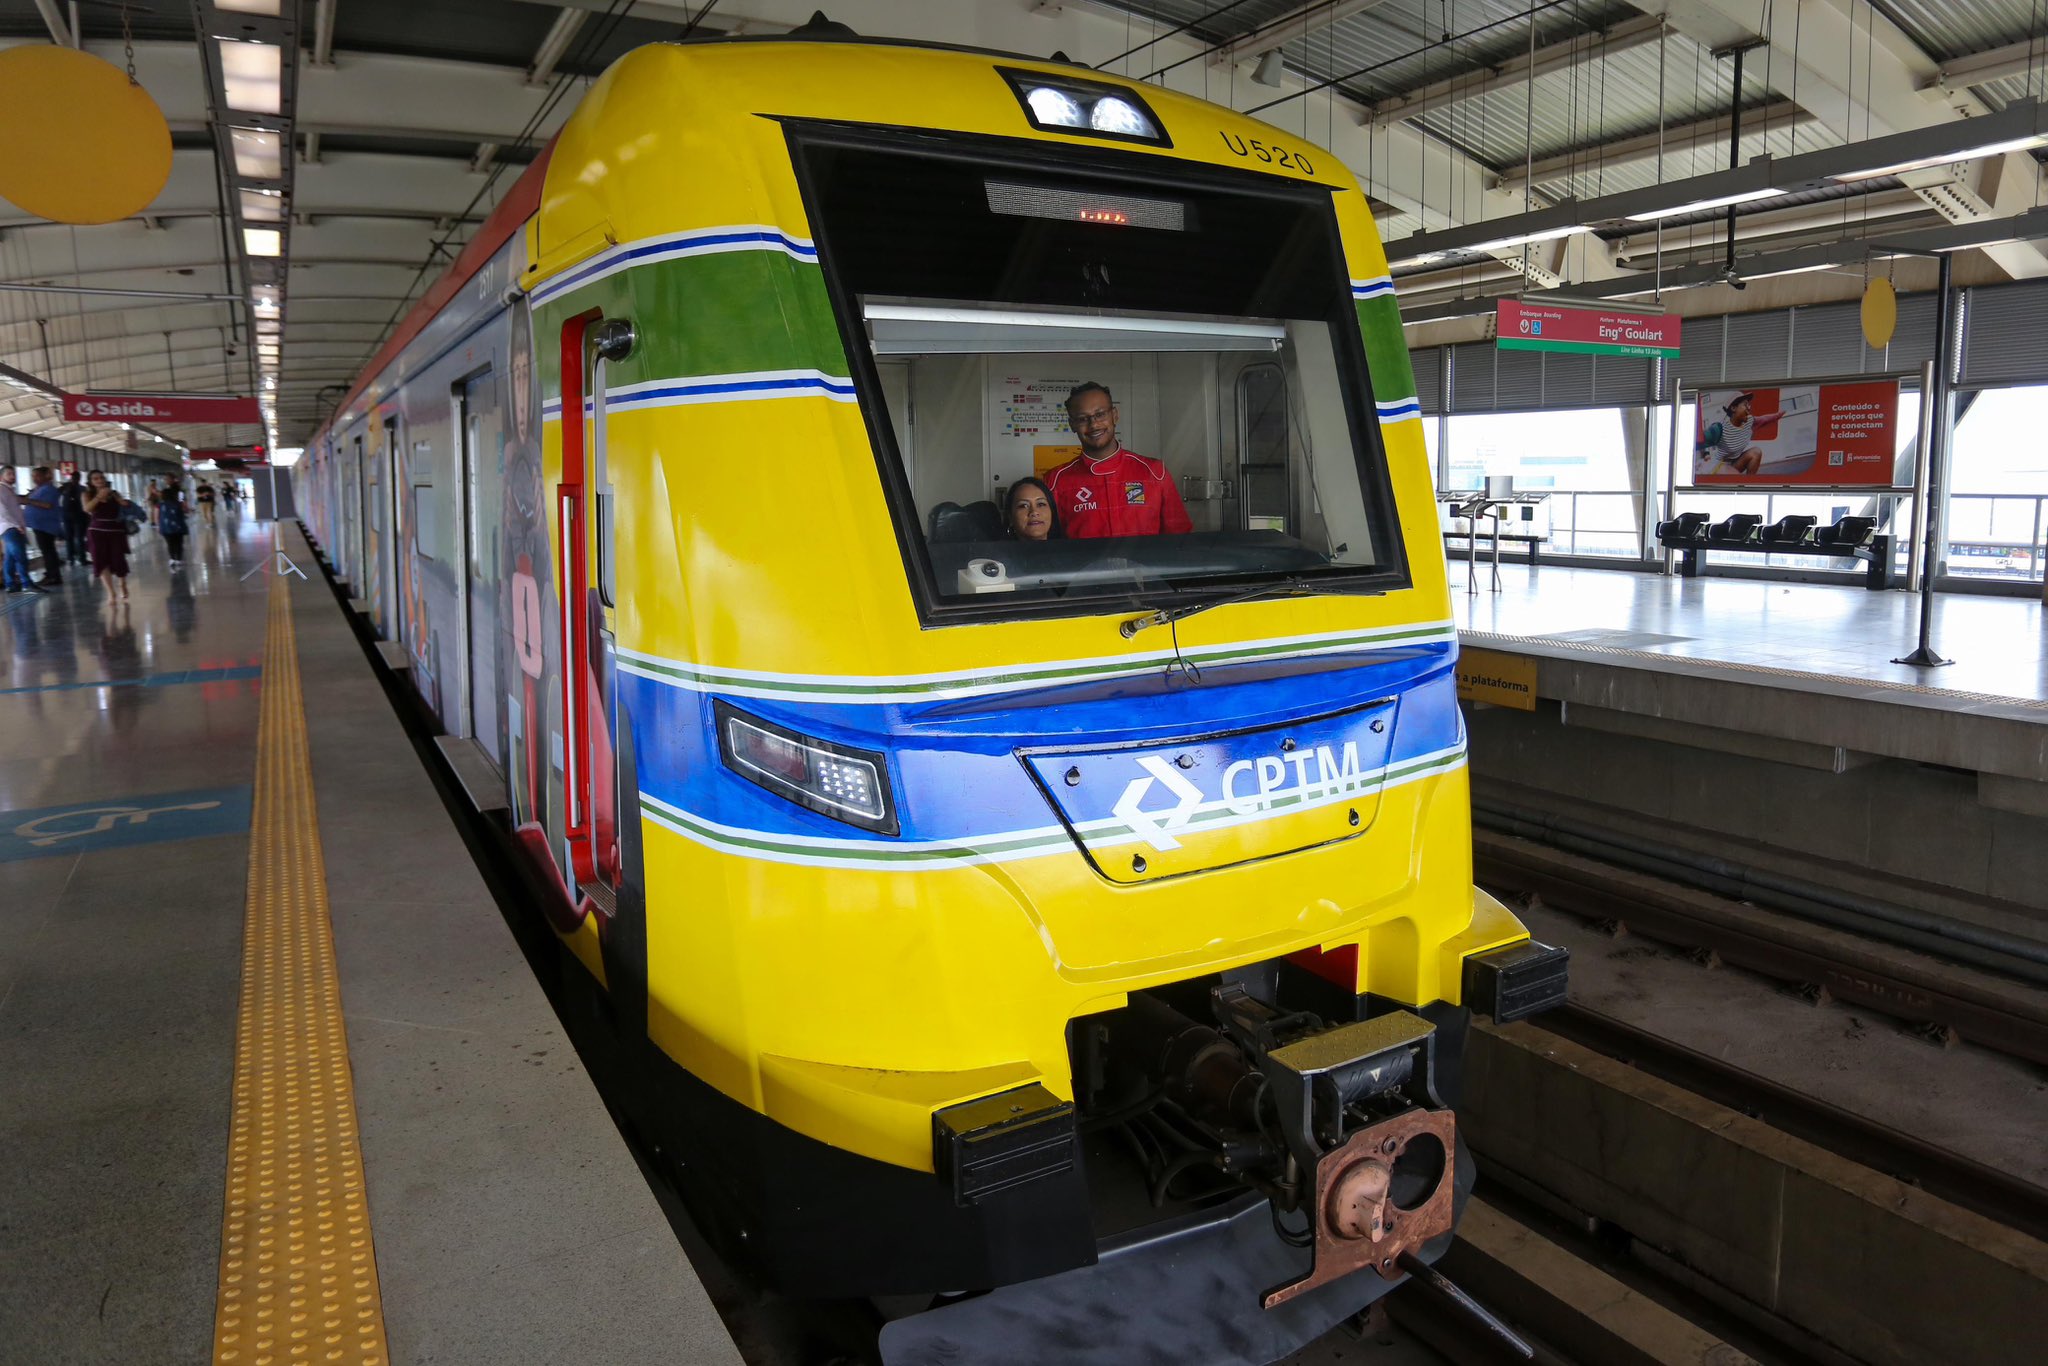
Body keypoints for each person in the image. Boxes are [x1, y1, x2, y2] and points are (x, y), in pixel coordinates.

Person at [1042, 382, 1193, 539]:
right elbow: (1047, 545)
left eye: (1100, 414)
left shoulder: (1155, 472)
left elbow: (1179, 538)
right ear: (1072, 424)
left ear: (1114, 415)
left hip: (1145, 565)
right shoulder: (1055, 481)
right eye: (1082, 419)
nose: (1093, 424)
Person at [1696, 392, 1781, 477]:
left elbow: (1763, 419)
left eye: (1749, 405)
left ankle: (1749, 483)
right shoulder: (1719, 428)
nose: (1749, 408)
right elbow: (1700, 440)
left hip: (1733, 463)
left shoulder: (1748, 422)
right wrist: (1706, 454)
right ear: (1733, 408)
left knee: (1756, 452)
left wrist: (1778, 415)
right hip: (1717, 465)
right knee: (1736, 478)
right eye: (1745, 405)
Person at [82, 470, 130, 600]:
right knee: (100, 561)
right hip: (96, 531)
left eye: (101, 478)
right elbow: (87, 509)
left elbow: (123, 504)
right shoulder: (87, 494)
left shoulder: (113, 494)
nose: (99, 481)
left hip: (115, 530)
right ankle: (110, 592)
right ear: (91, 482)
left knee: (118, 559)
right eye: (95, 479)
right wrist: (98, 497)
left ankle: (122, 584)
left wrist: (124, 503)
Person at [22, 465, 66, 586]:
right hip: (39, 525)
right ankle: (51, 573)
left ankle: (54, 576)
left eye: (37, 476)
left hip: (46, 525)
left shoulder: (49, 489)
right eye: (33, 476)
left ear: (44, 476)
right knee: (47, 551)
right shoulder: (38, 489)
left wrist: (28, 501)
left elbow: (47, 505)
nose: (34, 478)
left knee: (48, 551)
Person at [0, 464, 39, 593]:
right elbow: (2, 511)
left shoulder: (9, 490)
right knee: (20, 555)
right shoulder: (1, 489)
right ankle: (26, 583)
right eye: (9, 474)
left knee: (10, 557)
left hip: (14, 526)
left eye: (13, 474)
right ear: (1, 476)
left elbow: (18, 502)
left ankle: (10, 584)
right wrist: (17, 526)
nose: (12, 476)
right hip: (9, 527)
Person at [1004, 476, 1060, 542]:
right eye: (1024, 505)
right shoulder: (996, 552)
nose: (1034, 512)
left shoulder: (1067, 551)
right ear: (1010, 516)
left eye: (1041, 504)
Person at [59, 468, 90, 567]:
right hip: (77, 516)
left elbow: (59, 501)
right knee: (79, 538)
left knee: (70, 538)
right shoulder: (82, 489)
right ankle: (81, 559)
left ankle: (71, 558)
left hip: (67, 515)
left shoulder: (65, 487)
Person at [158, 478, 190, 568]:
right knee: (179, 543)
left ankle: (172, 559)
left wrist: (159, 526)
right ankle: (179, 559)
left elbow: (157, 516)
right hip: (178, 526)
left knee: (170, 543)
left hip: (166, 527)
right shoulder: (178, 503)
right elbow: (186, 511)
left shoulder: (160, 504)